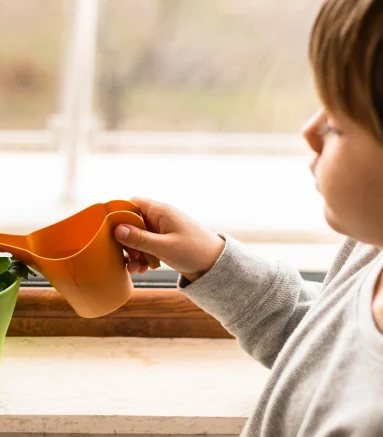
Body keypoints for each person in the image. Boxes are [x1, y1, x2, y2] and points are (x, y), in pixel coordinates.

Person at [113, 1, 383, 435]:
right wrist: (211, 261)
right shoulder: (373, 249)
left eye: (336, 123)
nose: (309, 132)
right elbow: (320, 351)